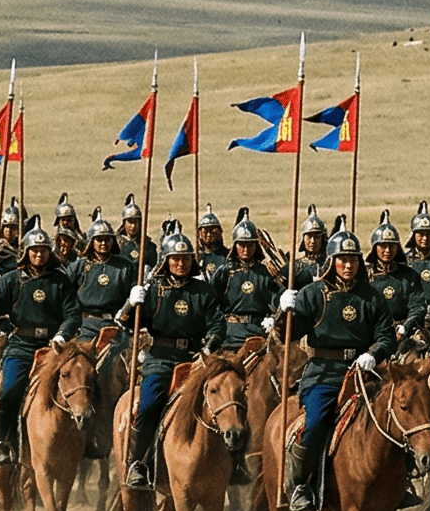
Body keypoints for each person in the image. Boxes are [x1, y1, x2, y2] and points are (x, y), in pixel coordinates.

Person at [277, 228, 396, 511]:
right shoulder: (312, 294)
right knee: (317, 419)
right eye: (341, 259)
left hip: (364, 372)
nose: (347, 265)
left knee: (395, 412)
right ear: (331, 262)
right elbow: (287, 335)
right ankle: (299, 483)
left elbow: (386, 336)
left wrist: (373, 353)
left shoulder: (371, 297)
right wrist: (284, 311)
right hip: (324, 372)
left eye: (352, 259)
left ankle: (399, 482)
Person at [119, 233, 225, 488]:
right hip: (161, 359)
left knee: (224, 402)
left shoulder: (203, 291)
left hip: (194, 360)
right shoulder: (153, 290)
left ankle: (229, 462)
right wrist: (131, 305)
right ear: (166, 261)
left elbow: (217, 324)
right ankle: (138, 463)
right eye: (175, 258)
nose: (181, 263)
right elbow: (127, 326)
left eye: (186, 258)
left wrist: (210, 346)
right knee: (148, 405)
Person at [0, 228, 81, 466]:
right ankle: (0, 442)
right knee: (10, 388)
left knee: (82, 383)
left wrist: (62, 334)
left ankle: (84, 438)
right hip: (21, 345)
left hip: (53, 347)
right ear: (26, 253)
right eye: (34, 250)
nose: (39, 254)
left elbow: (73, 314)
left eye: (44, 250)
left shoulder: (61, 280)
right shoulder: (11, 279)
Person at [211, 209, 279, 352]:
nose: (246, 249)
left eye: (250, 245)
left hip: (258, 333)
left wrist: (279, 280)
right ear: (235, 246)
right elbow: (212, 303)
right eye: (242, 244)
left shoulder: (265, 272)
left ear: (256, 246)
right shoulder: (224, 272)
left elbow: (277, 302)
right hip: (230, 334)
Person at [363, 210, 427, 348]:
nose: (387, 250)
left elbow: (418, 307)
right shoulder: (363, 275)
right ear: (375, 248)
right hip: (370, 333)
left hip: (405, 334)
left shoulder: (409, 275)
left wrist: (406, 326)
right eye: (383, 246)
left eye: (391, 246)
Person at [68, 220, 136, 336]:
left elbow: (133, 295)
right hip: (85, 326)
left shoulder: (125, 266)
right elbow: (66, 297)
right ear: (91, 242)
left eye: (107, 239)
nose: (103, 243)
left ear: (113, 241)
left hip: (116, 324)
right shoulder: (79, 266)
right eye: (99, 239)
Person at [194, 208, 231, 284]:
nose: (209, 234)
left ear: (220, 231)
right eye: (205, 231)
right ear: (200, 233)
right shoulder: (196, 257)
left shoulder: (228, 256)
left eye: (212, 230)